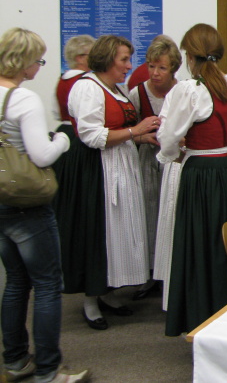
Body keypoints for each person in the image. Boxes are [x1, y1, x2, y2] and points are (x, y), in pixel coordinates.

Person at [156, 23, 227, 336]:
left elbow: (168, 140)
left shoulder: (189, 90)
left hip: (201, 175)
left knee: (202, 247)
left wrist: (175, 156)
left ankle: (203, 318)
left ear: (189, 56)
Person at [0, 28, 89, 382]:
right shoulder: (24, 99)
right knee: (48, 284)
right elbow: (42, 155)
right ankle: (50, 370)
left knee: (15, 282)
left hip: (1, 200)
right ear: (23, 62)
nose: (39, 67)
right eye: (38, 60)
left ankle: (15, 361)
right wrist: (63, 141)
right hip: (27, 203)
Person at [54, 35, 160, 331]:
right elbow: (91, 135)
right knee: (98, 231)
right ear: (107, 59)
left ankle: (106, 292)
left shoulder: (113, 88)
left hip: (118, 162)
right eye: (124, 60)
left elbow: (118, 129)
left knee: (116, 232)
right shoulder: (87, 87)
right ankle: (91, 300)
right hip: (97, 168)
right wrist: (135, 131)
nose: (129, 66)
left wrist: (142, 136)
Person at [128, 35, 182, 301]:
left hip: (175, 161)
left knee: (172, 214)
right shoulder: (137, 94)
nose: (155, 73)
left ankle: (171, 270)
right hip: (148, 160)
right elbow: (128, 134)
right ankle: (150, 273)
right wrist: (143, 137)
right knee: (149, 214)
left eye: (162, 67)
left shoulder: (183, 92)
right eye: (151, 66)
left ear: (173, 69)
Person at [53, 34, 95, 137]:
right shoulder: (86, 81)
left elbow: (56, 112)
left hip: (64, 131)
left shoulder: (62, 80)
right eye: (92, 54)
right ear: (79, 58)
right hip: (80, 133)